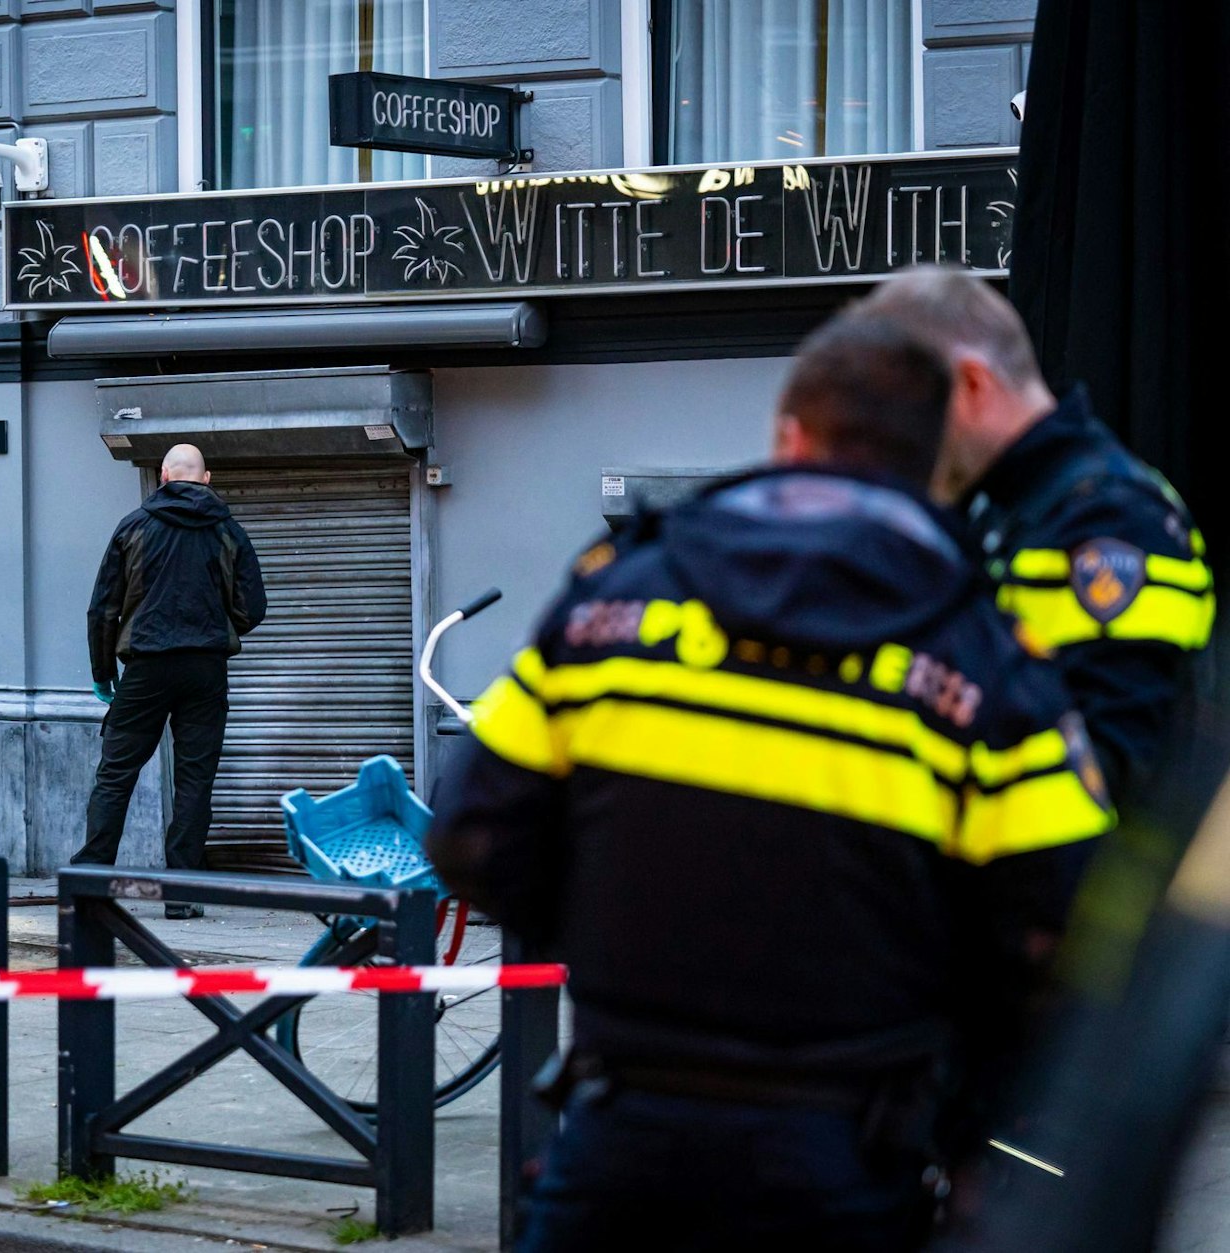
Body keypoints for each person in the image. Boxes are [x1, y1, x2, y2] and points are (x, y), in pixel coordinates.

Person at [427, 312, 1113, 1251]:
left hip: (622, 1138)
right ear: (938, 466)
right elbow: (1062, 933)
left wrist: (618, 930)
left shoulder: (611, 605)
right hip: (844, 1160)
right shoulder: (985, 661)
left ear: (790, 436)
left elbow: (468, 837)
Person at [859, 268, 1214, 804]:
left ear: (971, 386)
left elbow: (1113, 775)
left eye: (902, 416)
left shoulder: (1111, 521)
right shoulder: (1007, 508)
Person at [75, 443, 267, 916]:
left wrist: (104, 674)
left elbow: (103, 608)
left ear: (163, 476)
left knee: (116, 775)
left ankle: (91, 882)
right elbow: (253, 607)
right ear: (205, 479)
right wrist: (215, 627)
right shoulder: (227, 530)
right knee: (195, 779)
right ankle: (181, 893)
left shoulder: (134, 527)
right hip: (205, 668)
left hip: (146, 667)